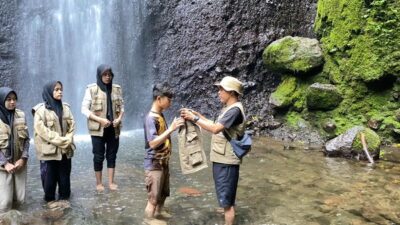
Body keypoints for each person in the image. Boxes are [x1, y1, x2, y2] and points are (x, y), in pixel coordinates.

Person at [180, 76, 246, 225]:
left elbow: (215, 129)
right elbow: (214, 124)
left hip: (227, 161)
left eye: (221, 89)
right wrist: (197, 115)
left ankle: (227, 215)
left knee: (228, 204)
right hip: (222, 158)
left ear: (231, 92)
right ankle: (225, 208)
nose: (218, 92)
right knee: (225, 195)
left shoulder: (234, 110)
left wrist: (194, 119)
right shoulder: (228, 109)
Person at [143, 83, 184, 218]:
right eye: (169, 99)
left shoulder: (160, 115)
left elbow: (163, 136)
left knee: (163, 195)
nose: (171, 102)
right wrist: (171, 129)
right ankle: (148, 220)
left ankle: (159, 215)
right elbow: (153, 143)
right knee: (153, 200)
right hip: (154, 163)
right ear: (159, 98)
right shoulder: (151, 118)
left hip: (163, 162)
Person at [81, 64, 124, 191]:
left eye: (109, 74)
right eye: (104, 74)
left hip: (113, 128)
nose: (107, 77)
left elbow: (122, 106)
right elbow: (84, 109)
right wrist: (99, 120)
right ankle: (99, 183)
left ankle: (111, 182)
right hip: (98, 129)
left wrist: (119, 119)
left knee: (112, 155)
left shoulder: (117, 89)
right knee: (98, 156)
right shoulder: (91, 89)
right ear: (100, 75)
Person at [33, 81, 75, 203]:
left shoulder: (66, 108)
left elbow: (72, 125)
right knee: (49, 185)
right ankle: (49, 212)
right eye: (56, 89)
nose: (60, 91)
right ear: (49, 91)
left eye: (61, 89)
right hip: (49, 154)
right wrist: (62, 140)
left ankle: (65, 210)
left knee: (65, 184)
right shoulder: (40, 111)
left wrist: (69, 138)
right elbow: (43, 132)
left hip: (65, 152)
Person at [0, 87, 30, 213]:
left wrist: (23, 159)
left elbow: (27, 140)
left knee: (20, 200)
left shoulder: (21, 115)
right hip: (2, 167)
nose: (12, 102)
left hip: (19, 165)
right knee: (5, 203)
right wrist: (5, 163)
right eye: (8, 99)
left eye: (14, 99)